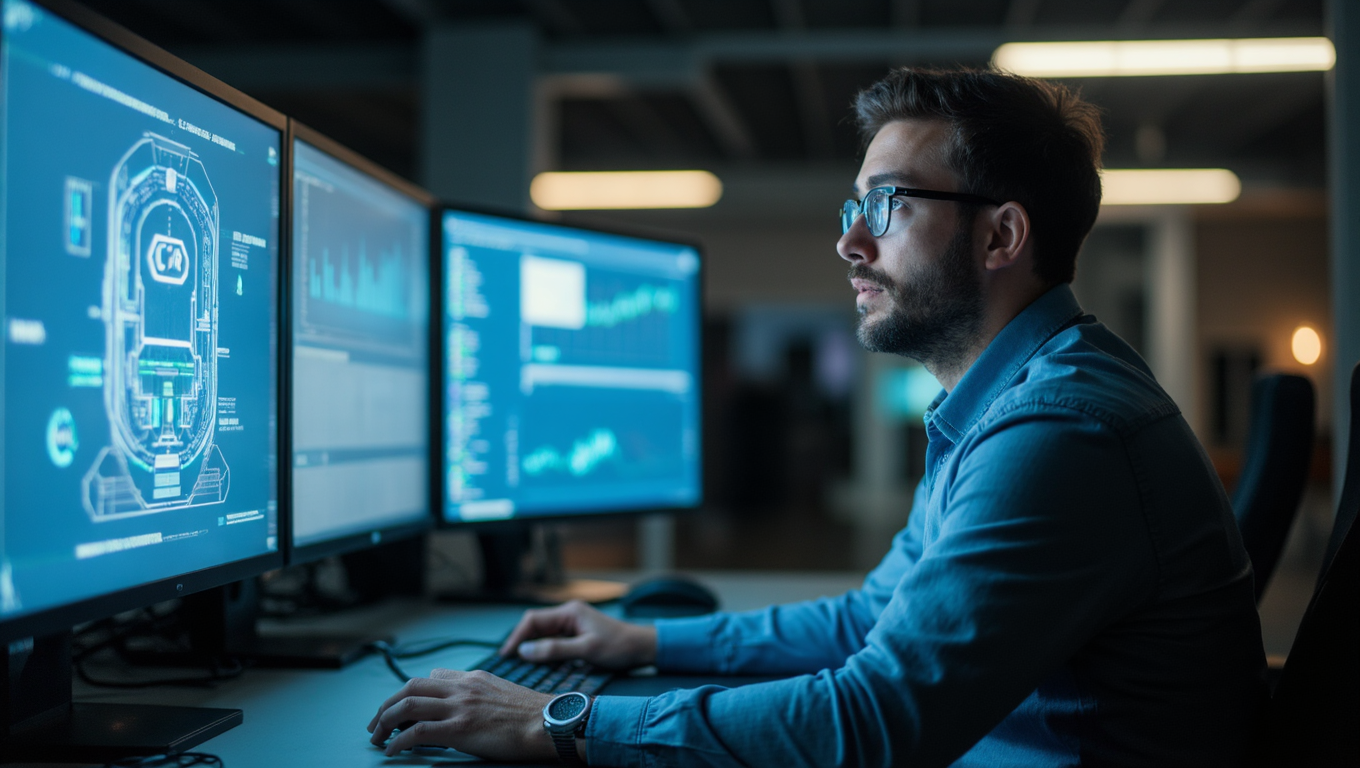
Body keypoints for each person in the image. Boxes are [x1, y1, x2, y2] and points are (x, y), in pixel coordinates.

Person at [367, 68, 1267, 766]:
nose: (850, 240)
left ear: (1001, 237)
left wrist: (558, 717)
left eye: (887, 204)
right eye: (854, 206)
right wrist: (644, 638)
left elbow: (873, 723)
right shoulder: (1005, 402)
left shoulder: (1061, 432)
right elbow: (872, 620)